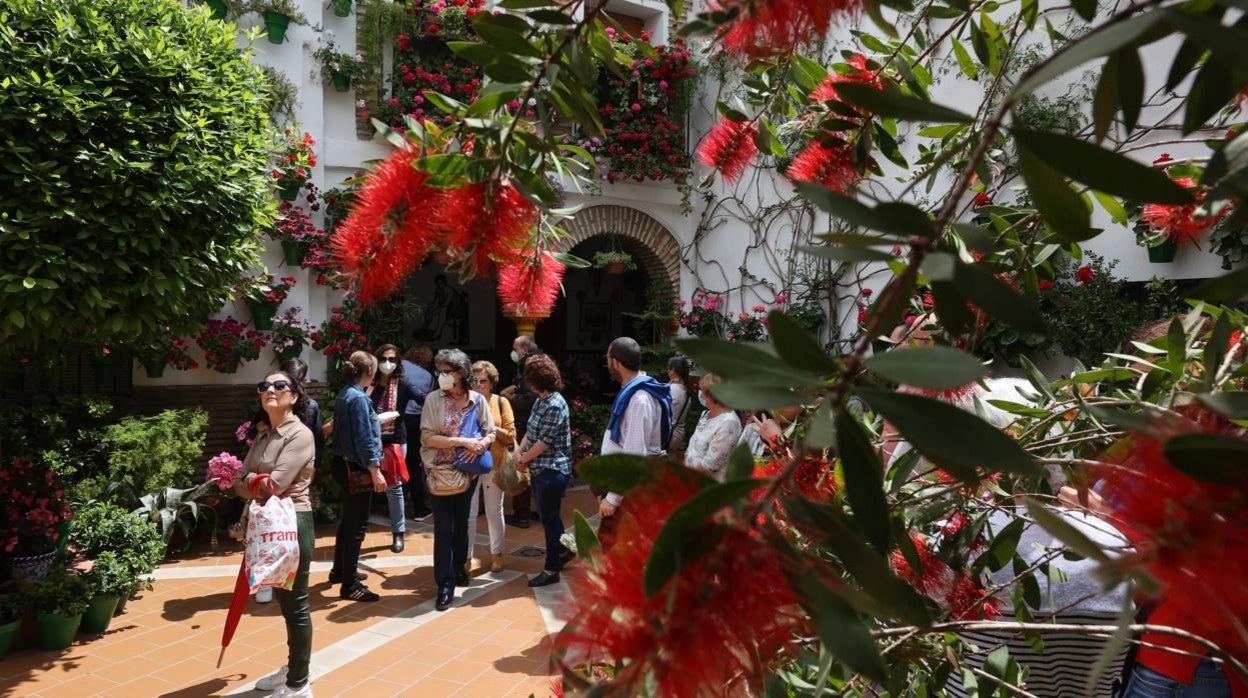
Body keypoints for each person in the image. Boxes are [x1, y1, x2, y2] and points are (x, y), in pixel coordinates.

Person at [236, 371, 317, 698]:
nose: (270, 389)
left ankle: (299, 683)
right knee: (284, 601)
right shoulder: (263, 435)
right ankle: (294, 668)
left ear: (294, 396)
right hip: (268, 524)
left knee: (295, 604)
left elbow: (276, 484)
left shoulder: (300, 435)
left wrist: (252, 480)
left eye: (279, 385)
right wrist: (253, 481)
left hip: (292, 523)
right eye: (264, 386)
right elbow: (241, 483)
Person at [420, 348, 495, 611]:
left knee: (462, 523)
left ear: (460, 374)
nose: (441, 375)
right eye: (439, 370)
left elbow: (490, 431)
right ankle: (445, 584)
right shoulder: (433, 400)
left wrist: (483, 444)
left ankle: (459, 566)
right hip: (439, 471)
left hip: (468, 471)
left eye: (446, 371)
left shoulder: (478, 400)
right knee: (443, 527)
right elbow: (428, 437)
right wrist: (462, 441)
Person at [329, 351, 386, 602]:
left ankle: (340, 570)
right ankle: (349, 584)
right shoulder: (359, 399)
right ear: (370, 372)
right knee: (357, 525)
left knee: (348, 519)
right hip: (357, 467)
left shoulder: (346, 394)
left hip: (342, 464)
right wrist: (375, 471)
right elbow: (365, 438)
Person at [598, 337, 672, 528]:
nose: (606, 363)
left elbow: (635, 453)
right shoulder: (633, 391)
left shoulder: (640, 399)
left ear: (616, 363)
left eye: (607, 358)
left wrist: (613, 499)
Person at [515, 353, 574, 587]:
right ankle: (565, 549)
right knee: (550, 516)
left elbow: (544, 442)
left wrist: (524, 460)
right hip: (540, 468)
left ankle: (552, 568)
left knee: (548, 519)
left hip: (552, 470)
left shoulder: (555, 404)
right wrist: (520, 452)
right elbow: (531, 431)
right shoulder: (541, 400)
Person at [368, 344, 421, 553]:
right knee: (366, 484)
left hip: (395, 441)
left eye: (392, 359)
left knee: (394, 487)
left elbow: (424, 398)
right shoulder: (369, 384)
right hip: (371, 441)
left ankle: (398, 532)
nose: (387, 364)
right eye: (383, 359)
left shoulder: (403, 384)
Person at [468, 360, 515, 573]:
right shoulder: (465, 402)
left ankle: (497, 554)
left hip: (494, 464)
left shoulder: (501, 402)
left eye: (483, 381)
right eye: (474, 381)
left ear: (492, 382)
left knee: (494, 512)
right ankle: (466, 557)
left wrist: (489, 425)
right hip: (468, 464)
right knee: (468, 514)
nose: (478, 385)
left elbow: (511, 435)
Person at [501, 335, 543, 528]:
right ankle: (540, 510)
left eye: (515, 348)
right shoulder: (542, 360)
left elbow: (528, 398)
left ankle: (521, 514)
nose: (513, 352)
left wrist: (510, 400)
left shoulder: (528, 365)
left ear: (524, 349)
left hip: (527, 422)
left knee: (521, 463)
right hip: (538, 421)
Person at [682, 373, 742, 482]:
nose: (701, 395)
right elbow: (693, 448)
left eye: (703, 391)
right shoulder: (706, 414)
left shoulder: (728, 423)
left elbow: (709, 466)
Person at [666, 355, 692, 453]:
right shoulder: (684, 388)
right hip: (678, 433)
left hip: (669, 434)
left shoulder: (672, 389)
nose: (667, 371)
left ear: (673, 370)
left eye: (668, 368)